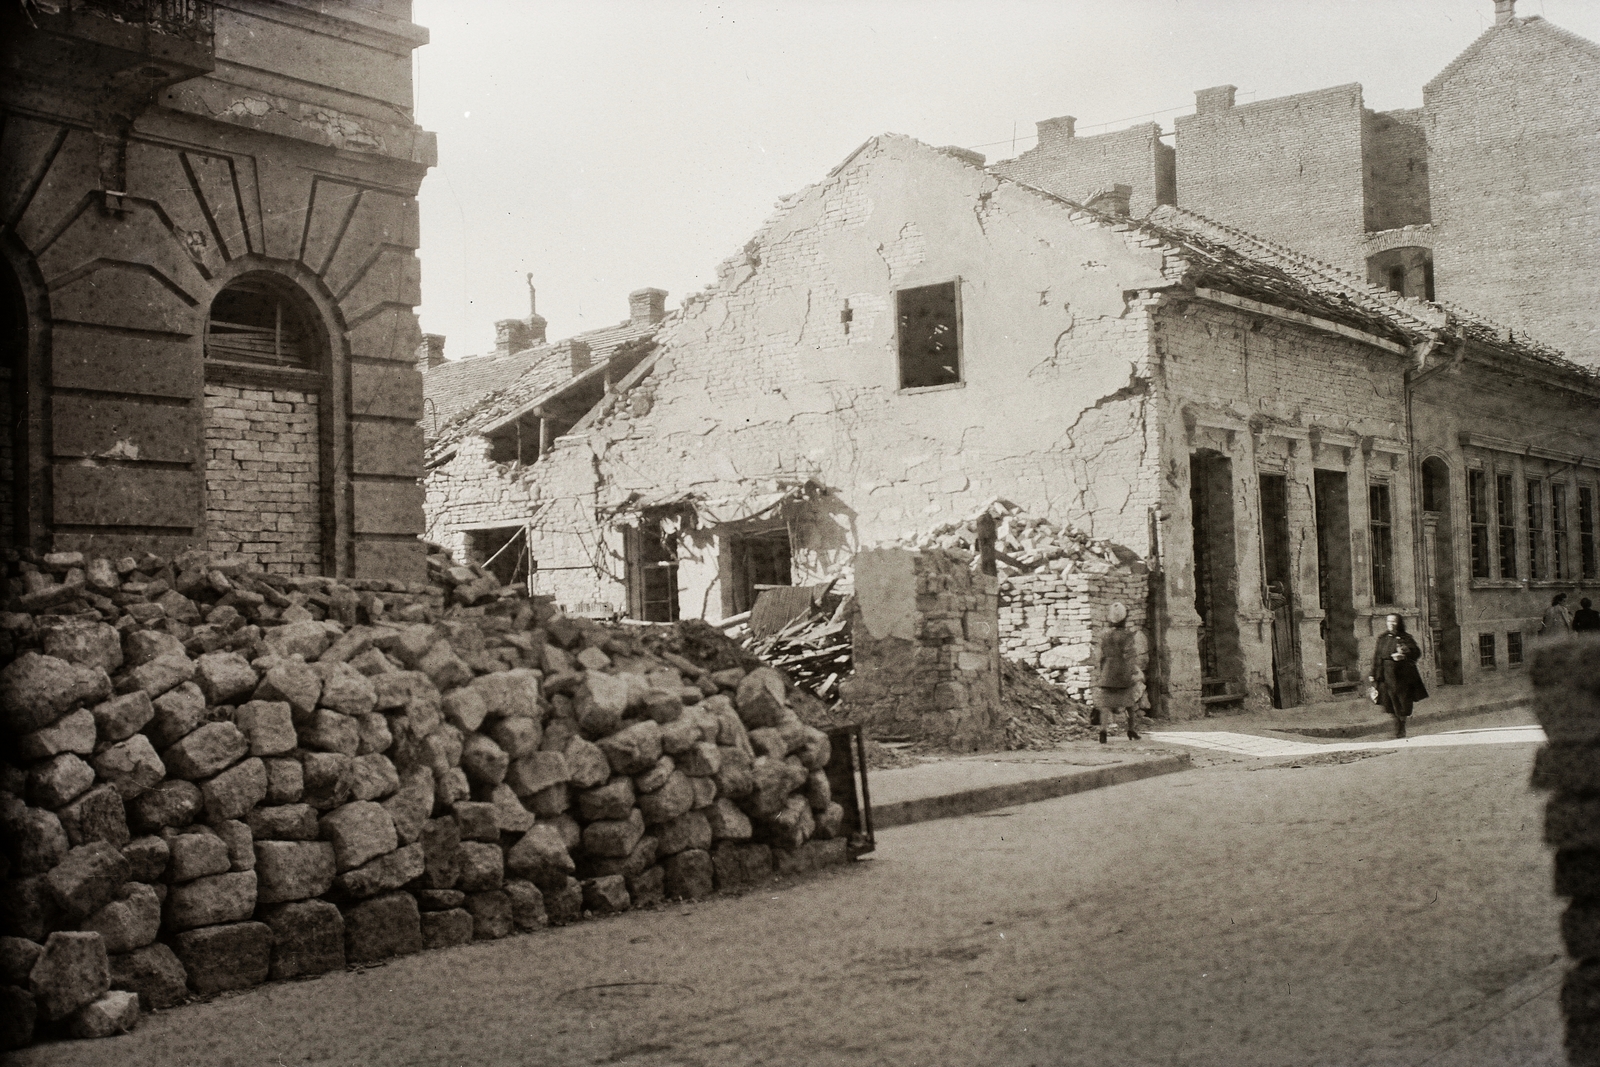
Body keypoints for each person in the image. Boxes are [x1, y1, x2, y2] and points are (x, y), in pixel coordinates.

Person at [1369, 614, 1427, 739]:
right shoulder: (1382, 638)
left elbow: (1416, 653)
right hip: (1386, 675)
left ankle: (1401, 726)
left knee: (1402, 702)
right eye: (1389, 621)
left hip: (1403, 676)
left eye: (1394, 622)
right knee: (1389, 702)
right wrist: (1373, 674)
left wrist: (1406, 653)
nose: (1391, 624)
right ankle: (1398, 722)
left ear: (1399, 623)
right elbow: (1377, 657)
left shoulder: (1406, 638)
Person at [1095, 602, 1141, 743]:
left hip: (1108, 671)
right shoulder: (1127, 636)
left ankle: (1103, 732)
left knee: (1105, 704)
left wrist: (1101, 671)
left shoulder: (1104, 635)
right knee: (1129, 703)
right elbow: (1130, 655)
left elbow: (1100, 655)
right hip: (1123, 671)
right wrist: (1133, 671)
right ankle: (1131, 730)